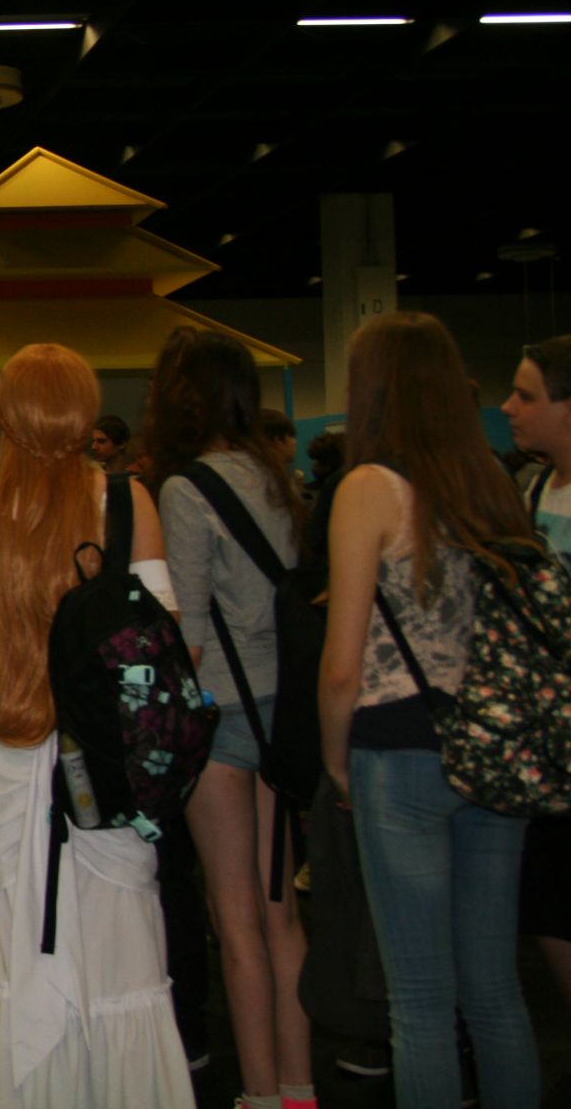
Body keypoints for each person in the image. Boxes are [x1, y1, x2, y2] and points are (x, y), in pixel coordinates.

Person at [0, 343, 193, 1109]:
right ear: (86, 413)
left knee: (20, 953)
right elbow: (167, 641)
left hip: (14, 754)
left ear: (5, 418)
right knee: (125, 957)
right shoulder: (128, 501)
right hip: (113, 763)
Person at [320, 311, 540, 1109]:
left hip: (397, 752)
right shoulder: (492, 484)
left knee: (419, 1001)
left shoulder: (367, 489)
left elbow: (343, 666)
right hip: (492, 748)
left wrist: (336, 763)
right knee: (495, 991)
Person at [146, 328, 313, 1109]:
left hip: (220, 715)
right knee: (283, 915)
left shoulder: (185, 489)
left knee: (233, 918)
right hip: (285, 711)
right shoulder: (275, 476)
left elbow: (190, 632)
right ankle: (299, 1087)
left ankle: (260, 1095)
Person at [497, 334, 571, 1013]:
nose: (508, 407)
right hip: (546, 744)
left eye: (526, 395)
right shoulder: (536, 487)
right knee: (547, 900)